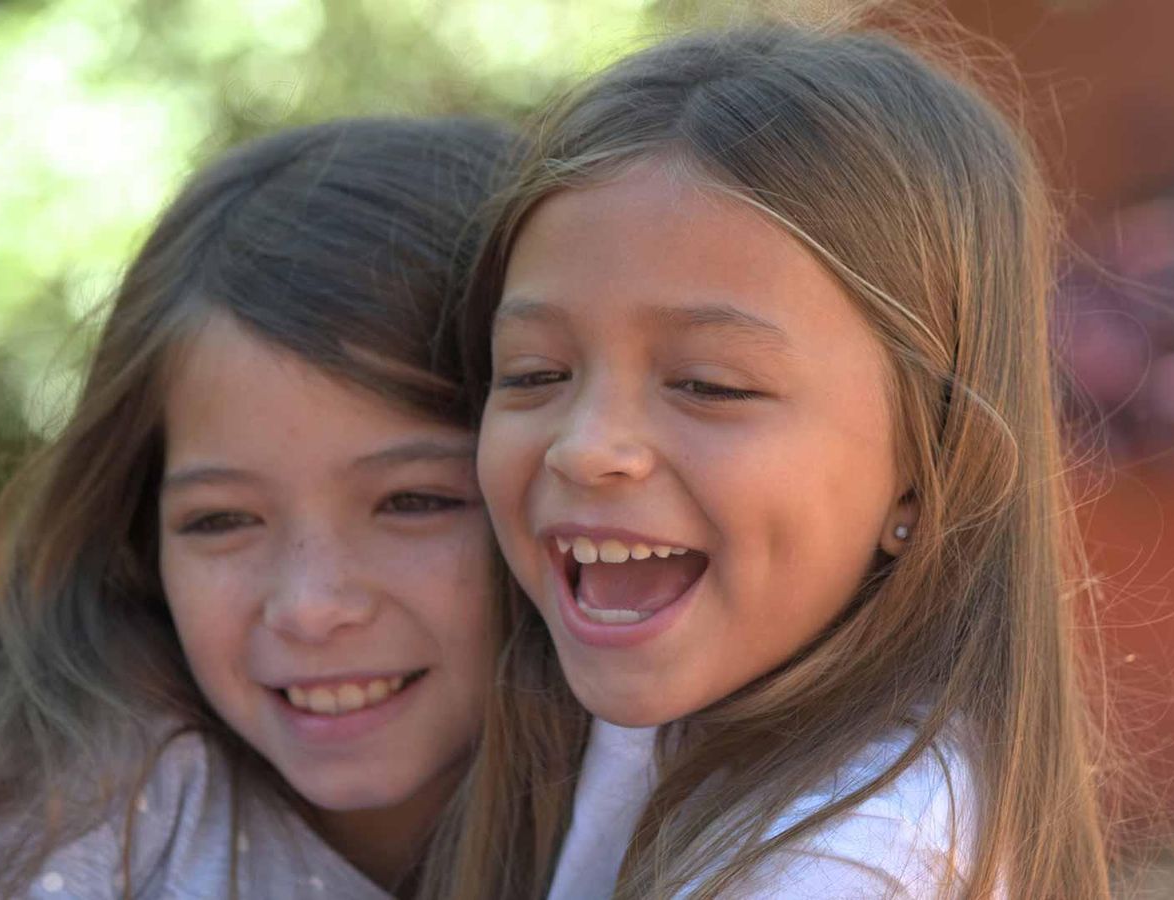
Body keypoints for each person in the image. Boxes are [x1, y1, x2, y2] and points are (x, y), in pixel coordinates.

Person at [0, 117, 586, 899]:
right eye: (221, 519)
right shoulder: (68, 835)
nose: (312, 607)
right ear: (139, 534)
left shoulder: (681, 804)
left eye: (412, 501)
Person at [451, 20, 1111, 899]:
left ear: (931, 460)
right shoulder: (656, 739)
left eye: (710, 385)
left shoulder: (846, 870)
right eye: (534, 374)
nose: (586, 448)